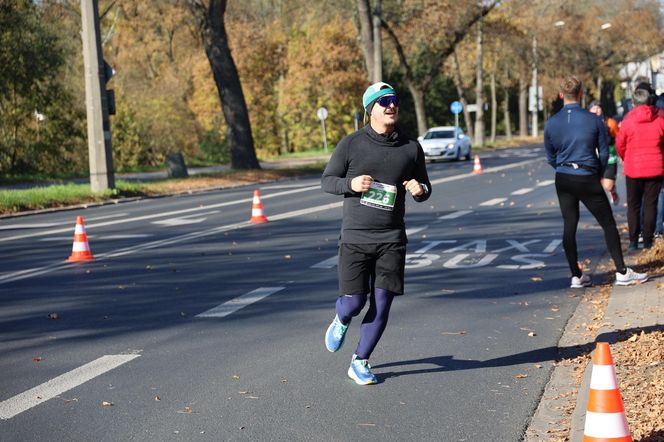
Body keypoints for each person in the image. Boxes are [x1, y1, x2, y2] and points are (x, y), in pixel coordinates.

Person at [321, 82, 431, 385]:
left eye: (394, 100)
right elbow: (327, 180)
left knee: (382, 304)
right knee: (355, 302)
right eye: (384, 101)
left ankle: (360, 361)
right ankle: (342, 316)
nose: (391, 105)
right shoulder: (352, 144)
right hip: (356, 238)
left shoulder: (410, 148)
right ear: (371, 109)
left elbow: (425, 186)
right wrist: (350, 185)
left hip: (392, 239)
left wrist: (420, 190)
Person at [544, 75, 647, 288]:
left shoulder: (551, 123)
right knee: (608, 223)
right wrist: (597, 173)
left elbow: (551, 156)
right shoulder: (594, 121)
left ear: (561, 95)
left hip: (563, 178)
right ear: (581, 94)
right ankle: (621, 271)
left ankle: (576, 275)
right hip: (587, 175)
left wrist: (562, 168)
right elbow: (603, 153)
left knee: (569, 225)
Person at [616, 87, 664, 250]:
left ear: (634, 103)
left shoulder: (628, 121)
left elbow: (620, 144)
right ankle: (649, 240)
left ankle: (633, 241)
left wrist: (626, 157)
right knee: (651, 204)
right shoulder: (659, 120)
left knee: (633, 205)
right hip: (656, 167)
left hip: (633, 168)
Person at [588, 101, 620, 205]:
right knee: (597, 183)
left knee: (608, 185)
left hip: (609, 156)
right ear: (589, 111)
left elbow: (619, 138)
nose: (596, 110)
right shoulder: (586, 124)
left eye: (598, 108)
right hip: (593, 157)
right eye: (593, 108)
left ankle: (613, 190)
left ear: (602, 110)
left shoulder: (610, 122)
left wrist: (619, 153)